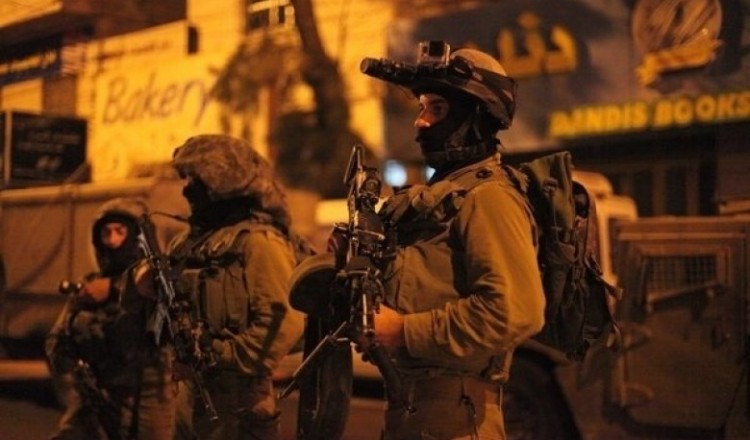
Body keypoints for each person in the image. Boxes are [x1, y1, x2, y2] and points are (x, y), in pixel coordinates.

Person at [357, 42, 546, 439]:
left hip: (457, 418)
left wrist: (404, 331)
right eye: (422, 107)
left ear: (474, 117)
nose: (421, 122)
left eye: (438, 109)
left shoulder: (488, 197)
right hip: (413, 410)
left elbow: (515, 311)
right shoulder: (442, 197)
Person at [135, 134, 306, 440]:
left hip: (239, 405)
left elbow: (282, 324)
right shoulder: (186, 244)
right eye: (187, 179)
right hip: (189, 400)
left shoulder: (259, 243)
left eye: (197, 180)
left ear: (223, 183)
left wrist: (212, 354)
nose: (187, 190)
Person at [46, 197, 176, 440]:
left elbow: (162, 295)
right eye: (106, 233)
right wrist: (65, 356)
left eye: (120, 231)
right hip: (97, 393)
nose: (113, 240)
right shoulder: (89, 286)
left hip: (146, 398)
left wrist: (115, 287)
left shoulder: (155, 283)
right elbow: (58, 336)